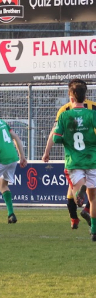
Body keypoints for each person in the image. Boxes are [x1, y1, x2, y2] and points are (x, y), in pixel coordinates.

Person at [43, 79, 95, 229]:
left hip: (73, 156)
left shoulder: (64, 110)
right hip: (91, 154)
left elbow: (55, 133)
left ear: (70, 94)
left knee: (74, 187)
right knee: (91, 189)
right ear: (85, 94)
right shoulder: (93, 109)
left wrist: (47, 152)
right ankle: (85, 212)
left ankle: (74, 219)